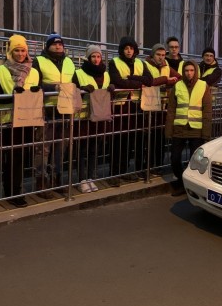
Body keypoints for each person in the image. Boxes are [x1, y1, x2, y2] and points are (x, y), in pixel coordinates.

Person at [0, 34, 40, 208]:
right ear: (10, 52)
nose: (20, 54)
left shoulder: (34, 71)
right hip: (9, 121)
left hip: (28, 119)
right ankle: (12, 192)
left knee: (22, 157)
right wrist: (13, 96)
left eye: (23, 50)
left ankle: (17, 189)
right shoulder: (0, 70)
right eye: (17, 50)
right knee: (12, 158)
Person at [32, 32, 76, 192]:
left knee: (60, 147)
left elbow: (74, 82)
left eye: (60, 44)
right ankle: (41, 181)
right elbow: (35, 84)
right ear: (48, 46)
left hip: (65, 110)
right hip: (46, 109)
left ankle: (56, 179)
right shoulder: (39, 61)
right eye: (54, 44)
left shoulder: (69, 62)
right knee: (43, 148)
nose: (58, 46)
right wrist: (53, 87)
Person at [108, 36, 153, 182]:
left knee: (131, 140)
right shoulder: (114, 62)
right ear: (122, 50)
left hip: (136, 106)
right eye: (126, 48)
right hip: (120, 106)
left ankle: (125, 171)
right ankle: (114, 173)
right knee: (118, 140)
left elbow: (149, 80)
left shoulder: (140, 63)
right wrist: (139, 83)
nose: (129, 51)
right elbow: (117, 81)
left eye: (131, 48)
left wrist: (132, 78)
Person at [165, 60, 212, 196]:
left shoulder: (203, 85)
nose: (189, 73)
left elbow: (207, 111)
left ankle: (189, 186)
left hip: (196, 129)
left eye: (192, 70)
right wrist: (168, 130)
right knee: (175, 158)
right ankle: (181, 182)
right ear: (183, 72)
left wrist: (206, 133)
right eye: (186, 70)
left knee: (194, 160)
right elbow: (171, 110)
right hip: (179, 128)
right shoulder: (178, 85)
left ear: (195, 71)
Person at [73, 44, 115, 193]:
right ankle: (81, 179)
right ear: (88, 58)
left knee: (94, 148)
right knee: (81, 149)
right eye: (93, 56)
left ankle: (91, 177)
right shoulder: (79, 73)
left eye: (98, 56)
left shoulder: (106, 74)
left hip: (99, 116)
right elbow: (73, 91)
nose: (96, 59)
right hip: (83, 116)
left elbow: (109, 93)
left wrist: (112, 88)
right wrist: (82, 89)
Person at [144, 43, 181, 171]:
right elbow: (149, 82)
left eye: (163, 55)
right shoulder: (145, 65)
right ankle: (148, 166)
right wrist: (166, 79)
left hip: (163, 105)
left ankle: (158, 166)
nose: (161, 57)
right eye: (158, 55)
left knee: (160, 137)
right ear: (152, 55)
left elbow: (179, 78)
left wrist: (170, 82)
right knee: (149, 139)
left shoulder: (166, 65)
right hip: (149, 105)